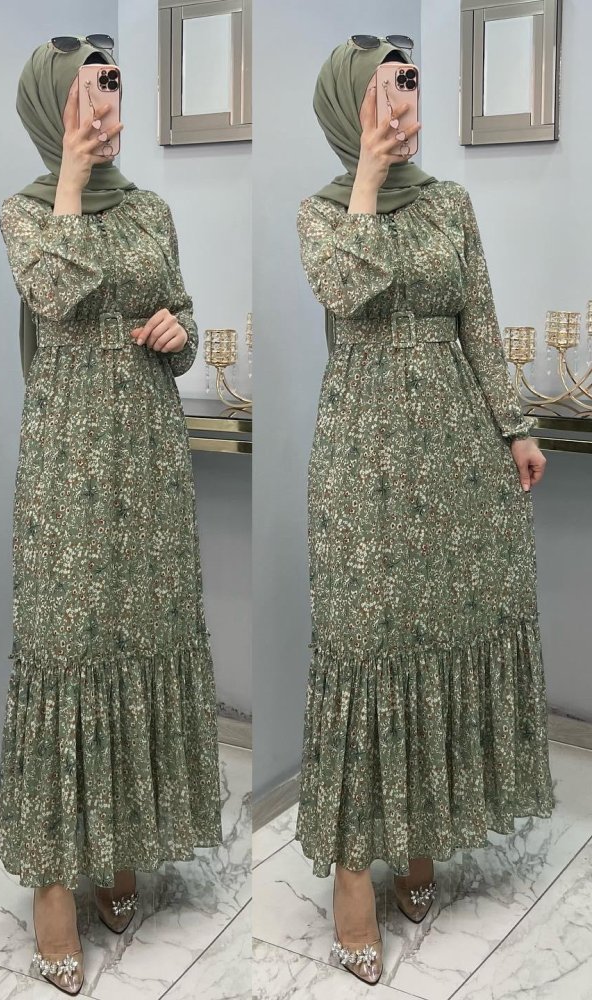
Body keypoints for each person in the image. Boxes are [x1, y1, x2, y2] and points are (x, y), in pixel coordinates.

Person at [294, 35, 554, 986]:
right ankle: (352, 873)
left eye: (409, 91)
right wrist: (368, 173)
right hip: (365, 459)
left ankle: (420, 836)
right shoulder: (322, 213)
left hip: (459, 456)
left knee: (444, 634)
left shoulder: (451, 203)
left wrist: (514, 426)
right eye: (382, 97)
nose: (402, 112)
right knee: (369, 647)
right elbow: (347, 287)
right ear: (346, 108)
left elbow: (478, 317)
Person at [0, 36, 222, 995]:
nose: (106, 111)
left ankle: (123, 844)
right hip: (67, 457)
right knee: (68, 646)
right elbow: (55, 292)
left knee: (138, 638)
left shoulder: (153, 210)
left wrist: (179, 332)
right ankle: (55, 881)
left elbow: (183, 320)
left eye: (115, 91)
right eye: (87, 94)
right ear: (52, 109)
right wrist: (73, 178)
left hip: (149, 458)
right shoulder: (24, 213)